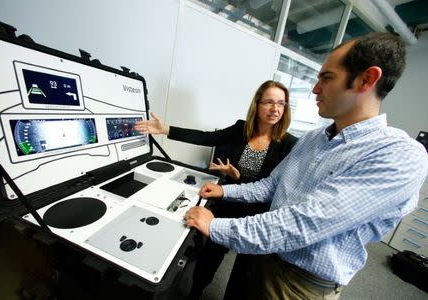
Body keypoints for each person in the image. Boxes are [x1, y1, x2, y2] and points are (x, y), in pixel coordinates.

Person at [184, 32, 428, 300]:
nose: (315, 88)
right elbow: (272, 185)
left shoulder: (400, 155)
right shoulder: (314, 138)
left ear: (366, 79)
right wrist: (225, 192)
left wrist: (217, 227)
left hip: (298, 285)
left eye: (327, 78)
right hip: (261, 253)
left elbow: (305, 222)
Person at [135, 80, 297, 299]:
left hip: (256, 215)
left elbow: (272, 185)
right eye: (268, 102)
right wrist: (165, 129)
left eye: (281, 104)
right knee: (209, 259)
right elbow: (206, 137)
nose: (275, 109)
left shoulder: (288, 144)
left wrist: (239, 176)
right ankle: (196, 292)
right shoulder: (241, 129)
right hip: (227, 205)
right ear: (257, 105)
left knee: (244, 273)